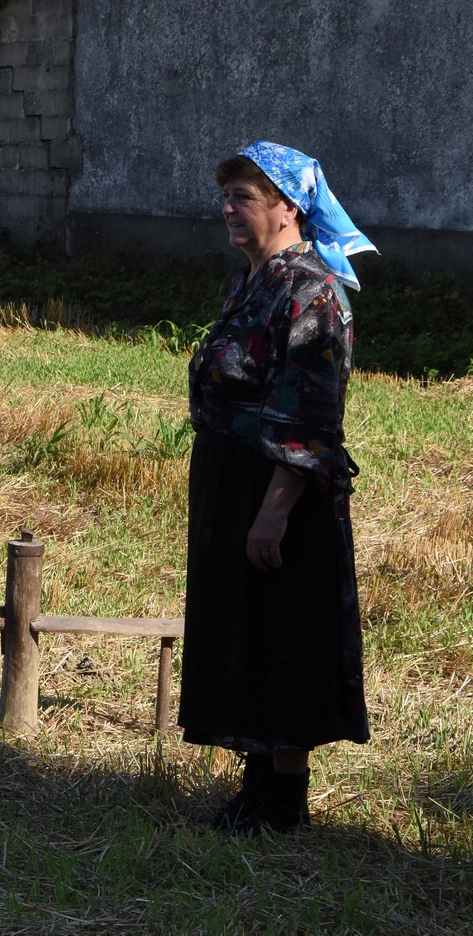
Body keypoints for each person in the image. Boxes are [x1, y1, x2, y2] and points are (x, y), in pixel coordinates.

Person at [180, 140, 375, 834]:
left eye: (244, 197)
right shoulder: (254, 280)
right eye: (226, 196)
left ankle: (285, 803)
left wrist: (272, 513)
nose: (228, 209)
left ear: (288, 207)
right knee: (248, 623)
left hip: (281, 488)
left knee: (284, 627)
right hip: (234, 477)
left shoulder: (311, 291)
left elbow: (312, 420)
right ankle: (257, 785)